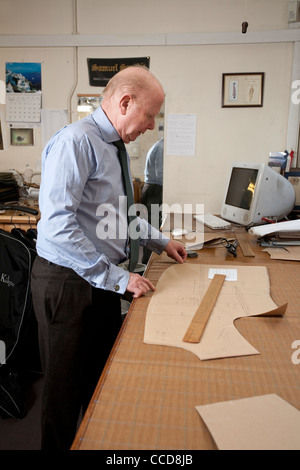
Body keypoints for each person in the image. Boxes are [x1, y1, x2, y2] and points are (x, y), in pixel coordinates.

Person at [31, 66, 187, 450]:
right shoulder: (77, 142)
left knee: (100, 383)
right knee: (63, 398)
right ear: (125, 102)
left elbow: (116, 217)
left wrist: (159, 241)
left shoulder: (113, 146)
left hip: (97, 278)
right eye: (150, 115)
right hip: (67, 282)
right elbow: (58, 228)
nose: (151, 126)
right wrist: (119, 279)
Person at [141, 137, 164, 264]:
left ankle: (148, 262)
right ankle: (148, 263)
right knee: (152, 230)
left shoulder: (159, 145)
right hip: (155, 191)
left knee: (152, 228)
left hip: (153, 189)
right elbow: (161, 175)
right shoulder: (161, 148)